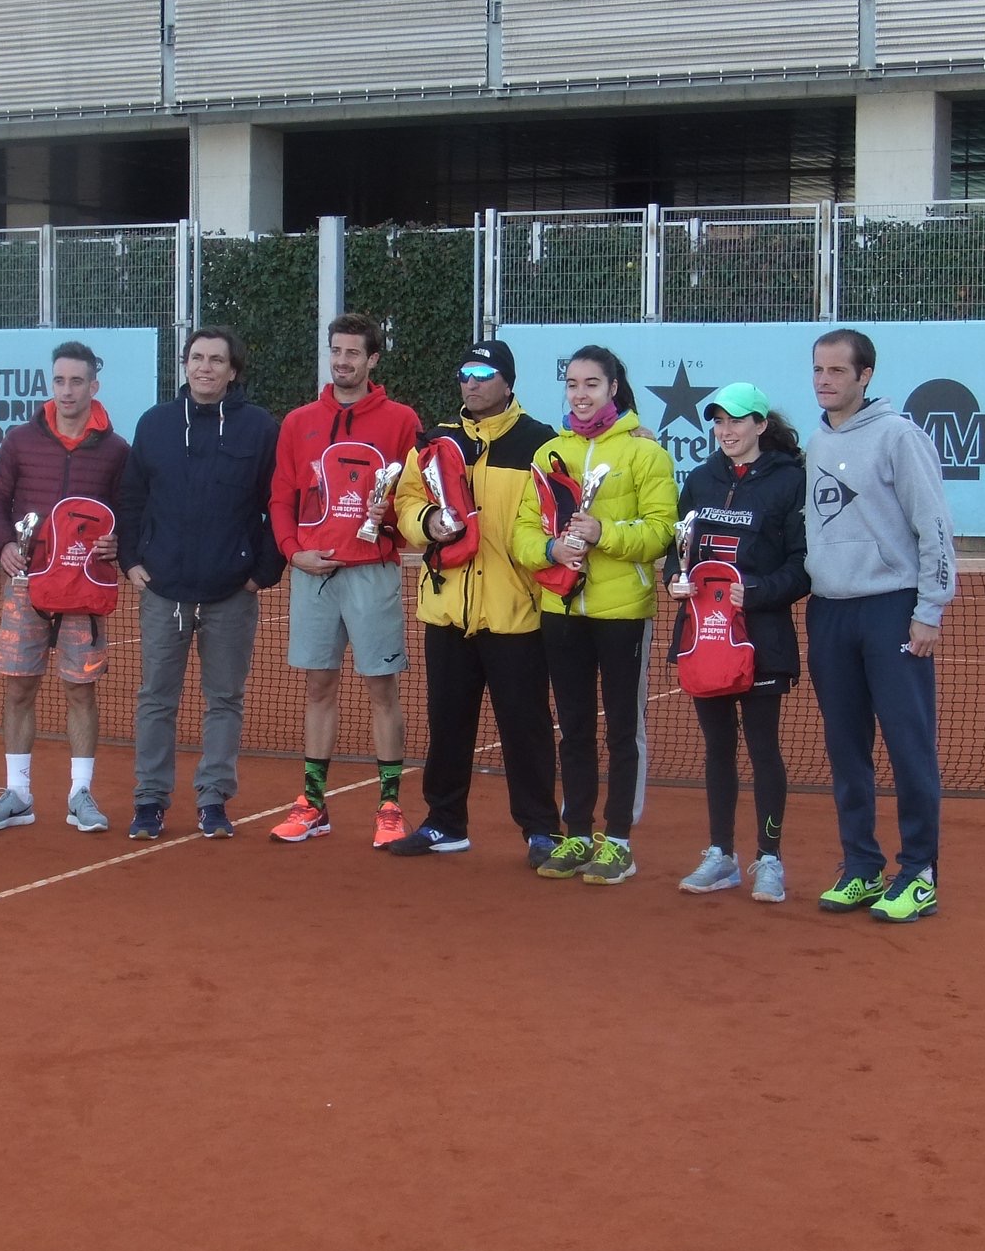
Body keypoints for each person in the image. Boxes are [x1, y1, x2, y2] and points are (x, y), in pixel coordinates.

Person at [384, 340, 564, 863]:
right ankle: (445, 823)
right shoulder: (436, 441)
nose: (472, 383)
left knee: (526, 728)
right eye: (465, 373)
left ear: (508, 382)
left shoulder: (541, 443)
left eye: (484, 374)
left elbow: (553, 512)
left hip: (516, 613)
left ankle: (541, 830)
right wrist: (428, 523)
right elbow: (407, 501)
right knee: (447, 724)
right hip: (447, 611)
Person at [804, 328, 956, 923]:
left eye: (837, 371)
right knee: (846, 748)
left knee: (908, 745)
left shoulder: (899, 437)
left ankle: (919, 872)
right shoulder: (817, 441)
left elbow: (934, 526)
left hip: (891, 609)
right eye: (818, 370)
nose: (824, 381)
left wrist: (928, 610)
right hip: (829, 612)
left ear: (864, 376)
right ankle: (862, 866)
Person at [512, 346, 677, 885]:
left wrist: (603, 533)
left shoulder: (645, 454)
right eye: (573, 384)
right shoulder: (548, 454)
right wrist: (551, 550)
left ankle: (619, 841)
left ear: (613, 389)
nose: (580, 394)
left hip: (623, 611)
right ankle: (578, 833)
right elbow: (523, 531)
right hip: (561, 610)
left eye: (591, 384)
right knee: (574, 727)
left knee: (623, 730)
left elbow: (660, 532)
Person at [119, 326, 285, 840]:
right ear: (185, 365)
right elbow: (132, 499)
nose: (204, 367)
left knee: (224, 699)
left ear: (233, 371)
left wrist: (261, 573)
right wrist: (131, 560)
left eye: (215, 360)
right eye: (196, 358)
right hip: (163, 589)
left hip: (231, 592)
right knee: (156, 699)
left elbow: (278, 502)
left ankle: (213, 800)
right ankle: (149, 800)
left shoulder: (259, 428)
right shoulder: (155, 424)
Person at [266, 314, 422, 849]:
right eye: (336, 350)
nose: (342, 361)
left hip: (373, 572)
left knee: (382, 689)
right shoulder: (299, 422)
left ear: (372, 359)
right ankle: (313, 803)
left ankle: (389, 806)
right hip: (313, 574)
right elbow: (280, 497)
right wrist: (294, 553)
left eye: (353, 352)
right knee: (318, 687)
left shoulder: (401, 421)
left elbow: (414, 497)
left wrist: (391, 518)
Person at [0, 340, 131, 834]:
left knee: (80, 691)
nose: (67, 390)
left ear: (93, 386)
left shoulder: (116, 450)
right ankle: (17, 794)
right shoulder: (21, 441)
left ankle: (80, 794)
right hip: (28, 587)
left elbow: (130, 511)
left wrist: (119, 541)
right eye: (60, 380)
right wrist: (3, 544)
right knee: (19, 688)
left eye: (77, 381)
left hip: (84, 588)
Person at [665, 383, 810, 903]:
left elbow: (803, 564)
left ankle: (769, 859)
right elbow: (678, 548)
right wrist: (674, 579)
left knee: (763, 748)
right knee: (717, 746)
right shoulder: (701, 480)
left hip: (762, 637)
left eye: (737, 421)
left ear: (760, 425)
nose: (726, 431)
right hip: (705, 636)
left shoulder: (790, 481)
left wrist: (758, 591)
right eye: (719, 421)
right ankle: (720, 855)